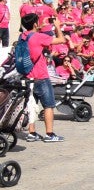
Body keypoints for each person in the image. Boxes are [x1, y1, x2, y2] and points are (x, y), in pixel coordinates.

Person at [20, 12, 68, 142]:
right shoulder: (38, 37)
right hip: (40, 76)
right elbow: (61, 40)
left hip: (27, 76)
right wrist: (57, 26)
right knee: (49, 105)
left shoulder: (23, 36)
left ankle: (32, 133)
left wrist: (39, 27)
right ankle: (50, 134)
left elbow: (33, 37)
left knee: (31, 104)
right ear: (35, 23)